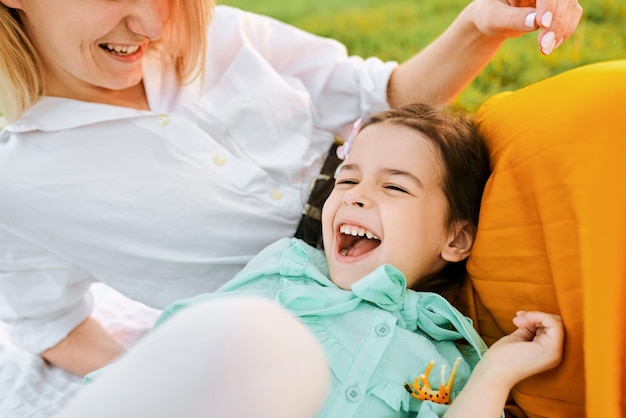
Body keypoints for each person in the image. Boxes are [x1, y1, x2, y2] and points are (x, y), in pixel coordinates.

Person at [0, 0, 582, 379]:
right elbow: (55, 329)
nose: (153, 26)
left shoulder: (214, 27)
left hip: (438, 207)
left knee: (595, 119)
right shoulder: (19, 182)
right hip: (338, 332)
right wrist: (179, 386)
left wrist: (477, 26)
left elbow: (384, 97)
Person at [55, 103, 564, 418]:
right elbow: (183, 349)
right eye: (347, 180)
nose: (357, 196)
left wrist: (497, 372)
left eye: (393, 186)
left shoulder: (451, 354)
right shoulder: (287, 271)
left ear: (456, 240)